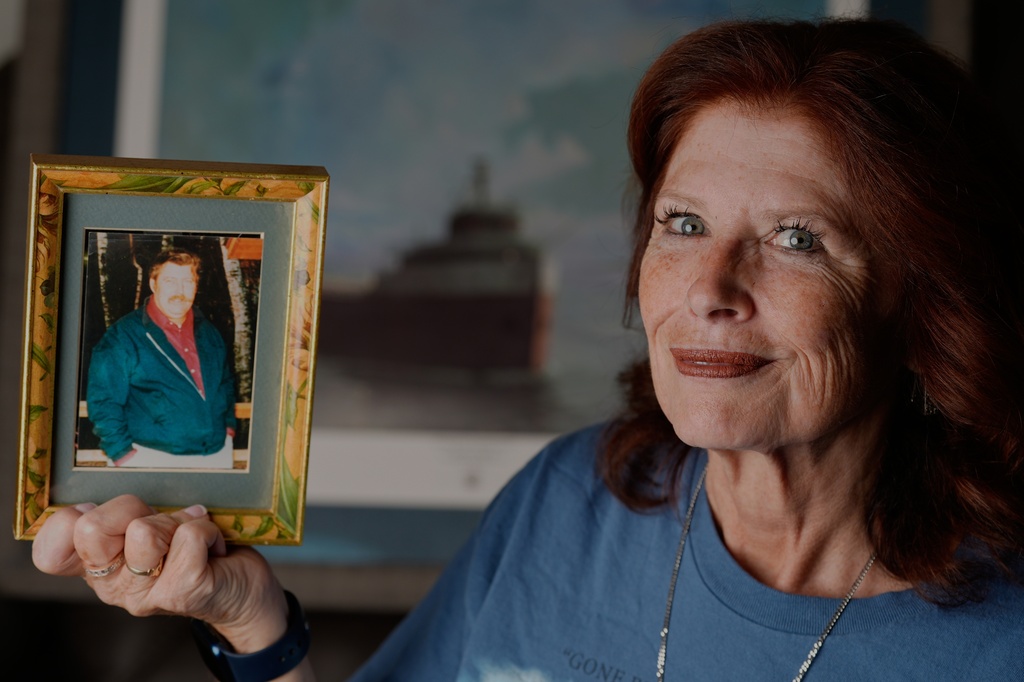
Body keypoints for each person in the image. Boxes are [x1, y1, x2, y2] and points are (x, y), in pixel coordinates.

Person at [33, 17, 1024, 681]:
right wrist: (250, 618)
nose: (710, 289)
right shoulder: (568, 500)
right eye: (682, 224)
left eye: (795, 238)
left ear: (921, 298)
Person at [86, 248, 237, 469]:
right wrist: (123, 455)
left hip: (216, 454)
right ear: (153, 284)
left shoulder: (209, 332)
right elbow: (103, 401)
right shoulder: (123, 336)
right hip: (152, 457)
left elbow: (226, 382)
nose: (179, 291)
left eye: (187, 282)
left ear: (196, 286)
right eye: (170, 281)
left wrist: (228, 428)